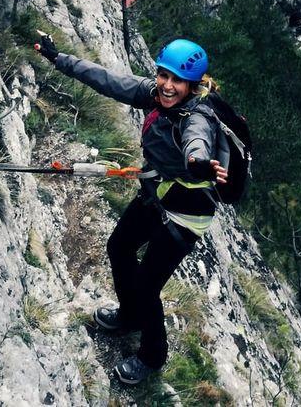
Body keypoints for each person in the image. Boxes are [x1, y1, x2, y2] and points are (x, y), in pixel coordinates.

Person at [34, 35, 228, 386]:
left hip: (186, 215)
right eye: (163, 75)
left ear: (193, 84)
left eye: (178, 80)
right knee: (119, 247)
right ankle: (129, 317)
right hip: (157, 194)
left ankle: (152, 357)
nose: (167, 86)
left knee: (147, 286)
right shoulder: (155, 94)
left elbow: (196, 142)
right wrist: (59, 58)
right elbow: (108, 80)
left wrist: (197, 161)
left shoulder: (198, 117)